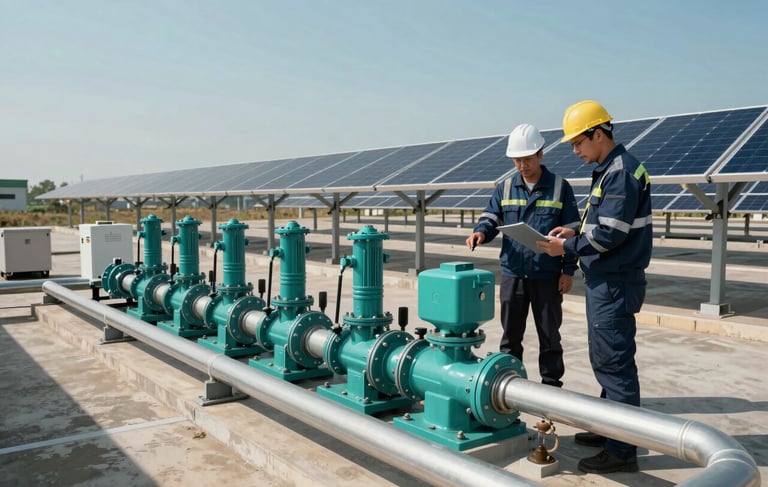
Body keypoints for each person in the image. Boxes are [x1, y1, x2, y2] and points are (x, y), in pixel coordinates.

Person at [537, 100, 652, 474]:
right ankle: (609, 429)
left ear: (598, 134)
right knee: (607, 358)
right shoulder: (610, 170)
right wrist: (573, 230)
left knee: (614, 363)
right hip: (608, 280)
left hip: (615, 282)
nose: (575, 151)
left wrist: (565, 248)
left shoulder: (620, 173)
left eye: (577, 142)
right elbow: (599, 223)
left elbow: (610, 235)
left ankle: (622, 450)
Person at [466, 123, 580, 388]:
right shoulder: (505, 187)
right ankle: (509, 385)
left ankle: (551, 387)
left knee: (550, 336)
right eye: (517, 160)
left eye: (527, 159)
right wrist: (480, 232)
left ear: (540, 154)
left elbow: (572, 230)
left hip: (547, 276)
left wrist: (567, 271)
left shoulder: (560, 187)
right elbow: (491, 217)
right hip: (513, 274)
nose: (522, 165)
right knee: (510, 337)